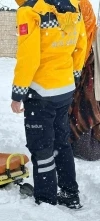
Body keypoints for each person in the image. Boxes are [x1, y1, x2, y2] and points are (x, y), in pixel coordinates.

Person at [11, 0, 87, 209]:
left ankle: (46, 198)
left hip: (41, 92)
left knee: (42, 146)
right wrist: (74, 74)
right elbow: (81, 43)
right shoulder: (73, 5)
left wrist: (18, 92)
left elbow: (29, 56)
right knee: (61, 142)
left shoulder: (30, 11)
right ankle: (70, 193)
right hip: (64, 89)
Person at [68, 0, 100, 161]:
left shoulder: (80, 5)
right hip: (78, 63)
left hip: (85, 63)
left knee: (86, 105)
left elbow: (85, 36)